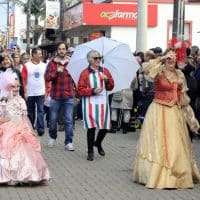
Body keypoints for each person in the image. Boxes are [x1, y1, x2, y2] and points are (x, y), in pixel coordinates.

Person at [133, 50, 200, 189]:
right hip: (158, 110)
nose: (171, 60)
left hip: (175, 112)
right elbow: (145, 68)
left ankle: (177, 175)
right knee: (159, 142)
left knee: (175, 143)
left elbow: (183, 98)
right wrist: (162, 58)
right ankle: (157, 175)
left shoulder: (179, 74)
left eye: (173, 58)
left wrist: (191, 118)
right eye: (169, 58)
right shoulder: (159, 71)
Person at [0, 71, 49, 185]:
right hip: (7, 127)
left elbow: (24, 117)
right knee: (6, 148)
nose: (16, 89)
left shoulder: (21, 100)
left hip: (21, 127)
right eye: (13, 86)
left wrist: (29, 130)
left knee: (25, 149)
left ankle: (26, 174)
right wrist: (7, 120)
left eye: (18, 86)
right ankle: (6, 175)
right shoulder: (3, 101)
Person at [78, 50, 114, 161]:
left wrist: (107, 80)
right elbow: (80, 90)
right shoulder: (85, 73)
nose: (98, 60)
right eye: (95, 58)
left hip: (103, 102)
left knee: (105, 127)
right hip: (90, 103)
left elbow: (111, 87)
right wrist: (93, 90)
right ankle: (90, 151)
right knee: (91, 128)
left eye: (99, 57)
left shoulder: (105, 71)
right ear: (90, 60)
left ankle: (98, 143)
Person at [45, 43, 76, 151]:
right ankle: (52, 137)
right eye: (60, 49)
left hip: (68, 95)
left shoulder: (71, 62)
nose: (61, 51)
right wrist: (56, 72)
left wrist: (77, 93)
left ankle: (69, 142)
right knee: (53, 120)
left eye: (63, 49)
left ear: (66, 50)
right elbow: (47, 78)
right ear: (57, 50)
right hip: (56, 95)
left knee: (68, 120)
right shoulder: (52, 63)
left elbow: (75, 78)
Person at [21, 48, 46, 136]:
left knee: (41, 111)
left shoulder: (44, 65)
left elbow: (47, 79)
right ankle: (31, 128)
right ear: (34, 55)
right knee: (30, 112)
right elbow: (23, 80)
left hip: (41, 92)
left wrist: (47, 90)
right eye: (39, 54)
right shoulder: (27, 66)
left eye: (41, 54)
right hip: (30, 92)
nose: (41, 55)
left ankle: (40, 129)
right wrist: (25, 92)